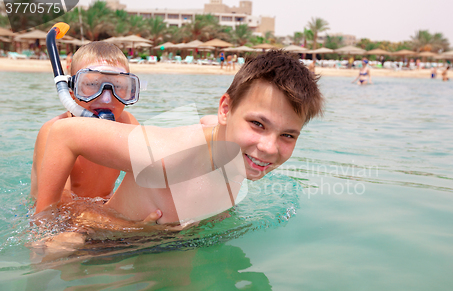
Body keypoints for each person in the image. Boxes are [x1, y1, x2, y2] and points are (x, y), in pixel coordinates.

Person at [33, 50, 324, 249]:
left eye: (288, 135)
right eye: (258, 124)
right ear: (226, 110)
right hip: (100, 248)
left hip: (163, 246)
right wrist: (46, 228)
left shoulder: (238, 150)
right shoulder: (163, 157)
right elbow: (62, 133)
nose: (269, 148)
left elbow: (208, 120)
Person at [30, 42, 140, 203]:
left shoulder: (128, 124)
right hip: (58, 218)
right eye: (91, 85)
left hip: (102, 209)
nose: (106, 99)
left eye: (118, 86)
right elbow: (57, 208)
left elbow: (150, 175)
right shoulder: (53, 132)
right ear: (71, 92)